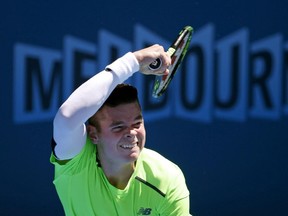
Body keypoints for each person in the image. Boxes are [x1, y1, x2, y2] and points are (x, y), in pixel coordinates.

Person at [50, 44, 191, 215]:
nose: (131, 133)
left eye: (137, 123)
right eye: (119, 127)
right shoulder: (76, 162)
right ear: (94, 134)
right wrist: (133, 62)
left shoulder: (166, 178)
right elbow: (66, 117)